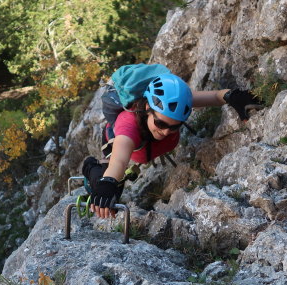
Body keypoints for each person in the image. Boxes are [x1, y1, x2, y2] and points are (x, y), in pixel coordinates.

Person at [82, 72, 260, 218]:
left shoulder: (176, 104)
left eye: (175, 127)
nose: (167, 131)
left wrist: (233, 96)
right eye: (161, 124)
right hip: (117, 142)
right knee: (107, 187)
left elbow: (215, 96)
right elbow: (119, 161)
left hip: (145, 149)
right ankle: (92, 167)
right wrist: (108, 183)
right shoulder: (128, 125)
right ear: (147, 109)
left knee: (112, 190)